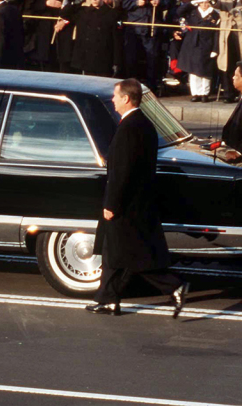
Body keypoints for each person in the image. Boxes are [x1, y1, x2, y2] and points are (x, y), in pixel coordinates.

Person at [89, 78, 188, 317]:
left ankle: (174, 285)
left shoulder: (130, 128)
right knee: (114, 252)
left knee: (132, 255)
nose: (112, 100)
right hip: (138, 201)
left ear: (126, 98)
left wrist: (111, 204)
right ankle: (108, 299)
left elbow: (123, 171)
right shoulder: (142, 123)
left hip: (127, 204)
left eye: (115, 96)